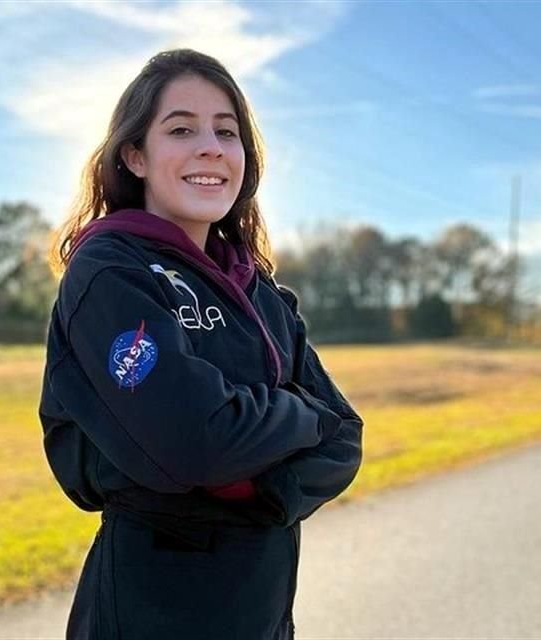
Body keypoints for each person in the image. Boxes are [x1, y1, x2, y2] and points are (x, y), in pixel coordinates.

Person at [39, 48, 364, 640]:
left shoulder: (263, 292)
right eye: (181, 129)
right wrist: (299, 420)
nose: (211, 146)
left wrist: (258, 482)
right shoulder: (111, 270)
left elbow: (345, 438)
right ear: (135, 155)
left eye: (226, 131)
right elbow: (192, 441)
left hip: (262, 610)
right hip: (151, 609)